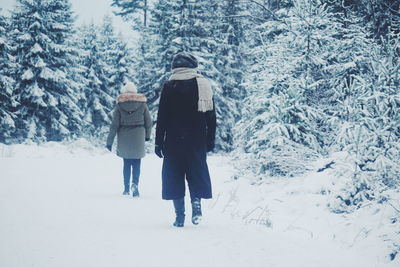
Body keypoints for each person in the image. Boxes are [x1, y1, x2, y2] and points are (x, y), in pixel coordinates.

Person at [155, 52, 217, 227]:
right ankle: (196, 205)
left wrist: (159, 142)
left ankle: (179, 216)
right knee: (195, 172)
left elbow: (163, 117)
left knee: (174, 176)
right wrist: (210, 140)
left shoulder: (169, 86)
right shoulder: (203, 85)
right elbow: (211, 116)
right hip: (196, 139)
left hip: (173, 140)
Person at [106, 81, 152, 197]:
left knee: (126, 163)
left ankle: (126, 188)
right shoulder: (143, 104)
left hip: (124, 136)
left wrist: (109, 142)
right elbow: (149, 122)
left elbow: (114, 125)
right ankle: (135, 184)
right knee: (137, 163)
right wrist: (147, 136)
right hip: (138, 136)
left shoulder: (120, 105)